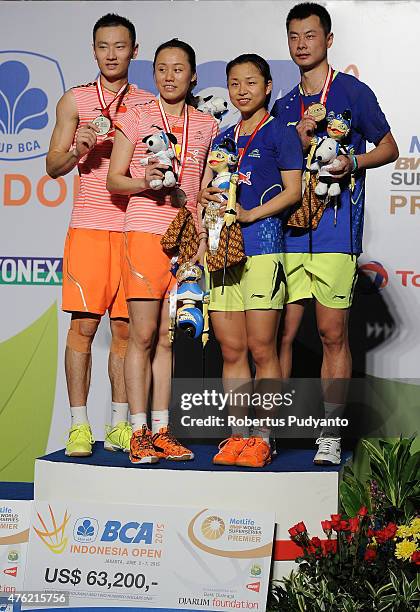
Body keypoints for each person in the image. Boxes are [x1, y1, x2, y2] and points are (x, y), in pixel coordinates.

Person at [272, 2, 399, 464]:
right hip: (286, 234)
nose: (301, 43)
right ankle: (269, 433)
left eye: (310, 35)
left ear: (328, 40)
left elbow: (389, 146)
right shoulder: (283, 104)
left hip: (336, 231)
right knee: (279, 335)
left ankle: (328, 435)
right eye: (293, 36)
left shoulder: (352, 91)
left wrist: (353, 162)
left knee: (331, 334)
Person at [46, 14, 154, 457]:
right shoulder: (75, 100)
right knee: (83, 328)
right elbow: (52, 167)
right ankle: (77, 426)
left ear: (133, 49)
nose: (112, 54)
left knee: (126, 332)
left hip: (134, 229)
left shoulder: (147, 104)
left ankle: (118, 425)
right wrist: (78, 149)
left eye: (120, 46)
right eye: (103, 46)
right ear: (93, 50)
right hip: (89, 229)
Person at [107, 39, 219, 464]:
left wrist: (205, 236)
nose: (169, 76)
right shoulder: (135, 117)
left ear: (192, 76)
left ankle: (162, 430)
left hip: (187, 240)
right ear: (152, 74)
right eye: (161, 68)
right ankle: (138, 433)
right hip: (143, 232)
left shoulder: (207, 124)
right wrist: (144, 178)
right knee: (143, 334)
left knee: (171, 340)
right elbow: (114, 180)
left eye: (178, 69)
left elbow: (204, 189)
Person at [200, 54, 303, 468]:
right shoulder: (223, 138)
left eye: (250, 82)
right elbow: (208, 188)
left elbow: (293, 191)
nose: (242, 90)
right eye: (234, 83)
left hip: (262, 246)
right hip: (223, 252)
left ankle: (264, 436)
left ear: (267, 86)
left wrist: (250, 215)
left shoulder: (281, 133)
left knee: (263, 347)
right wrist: (207, 195)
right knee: (231, 349)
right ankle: (237, 435)